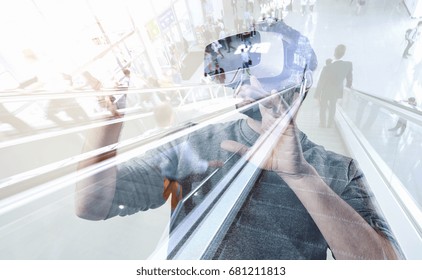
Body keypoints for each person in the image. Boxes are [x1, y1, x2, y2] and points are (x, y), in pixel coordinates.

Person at [75, 20, 400, 260]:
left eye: (257, 64)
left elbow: (387, 267)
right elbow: (92, 204)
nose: (242, 76)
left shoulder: (339, 172)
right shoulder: (193, 140)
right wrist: (110, 117)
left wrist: (301, 177)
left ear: (295, 84)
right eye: (241, 64)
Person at [315, 44, 353, 128]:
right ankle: (330, 124)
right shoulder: (348, 65)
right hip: (336, 90)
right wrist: (349, 87)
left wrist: (317, 95)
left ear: (334, 53)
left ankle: (322, 123)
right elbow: (349, 79)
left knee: (323, 107)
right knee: (333, 107)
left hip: (325, 90)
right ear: (343, 53)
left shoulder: (327, 67)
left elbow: (321, 82)